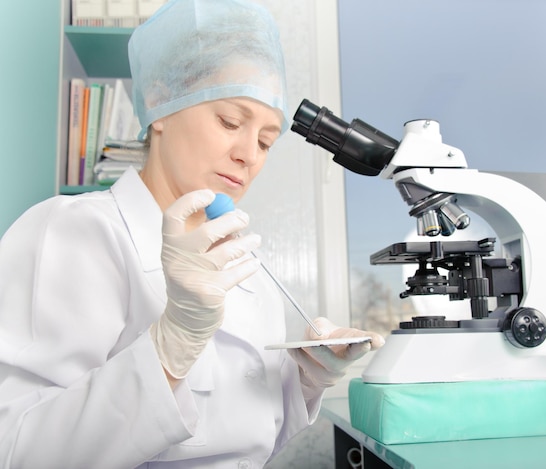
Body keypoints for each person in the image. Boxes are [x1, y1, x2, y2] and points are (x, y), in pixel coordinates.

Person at [0, 0, 384, 467]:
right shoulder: (74, 232)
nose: (250, 155)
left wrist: (306, 380)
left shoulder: (248, 272)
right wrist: (171, 344)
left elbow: (248, 442)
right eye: (229, 122)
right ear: (160, 104)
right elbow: (18, 450)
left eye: (266, 140)